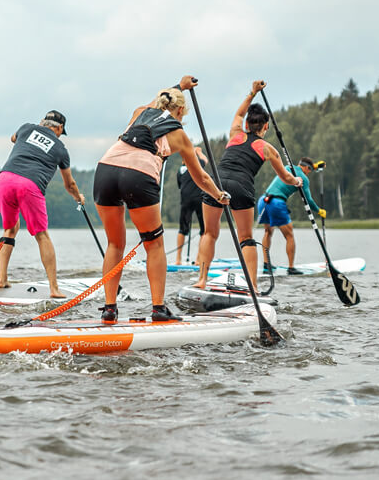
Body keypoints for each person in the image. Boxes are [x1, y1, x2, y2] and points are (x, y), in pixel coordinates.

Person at [94, 76, 227, 322]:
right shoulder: (180, 135)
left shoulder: (139, 112)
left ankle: (110, 309)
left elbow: (157, 102)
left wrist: (179, 85)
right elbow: (201, 178)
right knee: (153, 244)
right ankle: (158, 309)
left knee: (114, 244)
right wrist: (220, 195)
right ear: (178, 111)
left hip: (106, 169)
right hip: (139, 175)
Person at [195, 80, 303, 290]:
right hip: (241, 186)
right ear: (265, 127)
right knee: (245, 238)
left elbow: (238, 113)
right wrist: (297, 180)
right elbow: (286, 178)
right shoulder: (268, 148)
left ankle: (201, 280)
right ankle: (253, 287)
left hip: (216, 182)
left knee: (209, 233)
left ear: (246, 125)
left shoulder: (235, 133)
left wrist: (252, 92)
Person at [0, 110, 84, 299]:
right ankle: (54, 289)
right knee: (42, 236)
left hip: (4, 180)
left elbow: (13, 138)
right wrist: (78, 198)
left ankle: (2, 279)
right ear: (59, 128)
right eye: (61, 131)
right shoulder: (60, 149)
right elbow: (70, 184)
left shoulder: (26, 128)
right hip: (29, 185)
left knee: (10, 229)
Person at [258, 156, 327, 274]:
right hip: (277, 203)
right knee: (289, 235)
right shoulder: (304, 178)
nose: (309, 173)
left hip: (264, 200)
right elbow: (308, 200)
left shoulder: (286, 167)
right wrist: (318, 210)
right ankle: (291, 268)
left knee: (268, 232)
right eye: (309, 170)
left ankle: (266, 265)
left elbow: (301, 168)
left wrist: (314, 166)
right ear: (306, 168)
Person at [172, 147, 208, 265]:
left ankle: (178, 259)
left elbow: (179, 185)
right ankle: (198, 259)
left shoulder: (180, 170)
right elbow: (205, 160)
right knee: (204, 230)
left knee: (182, 229)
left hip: (186, 200)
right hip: (199, 200)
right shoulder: (197, 166)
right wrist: (199, 152)